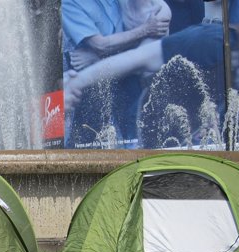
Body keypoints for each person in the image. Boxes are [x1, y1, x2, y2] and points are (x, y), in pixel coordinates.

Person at [62, 0, 171, 148]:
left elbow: (143, 54)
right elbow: (100, 44)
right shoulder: (70, 4)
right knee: (91, 139)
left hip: (138, 84)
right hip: (93, 84)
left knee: (138, 138)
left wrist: (98, 56)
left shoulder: (156, 8)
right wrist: (144, 30)